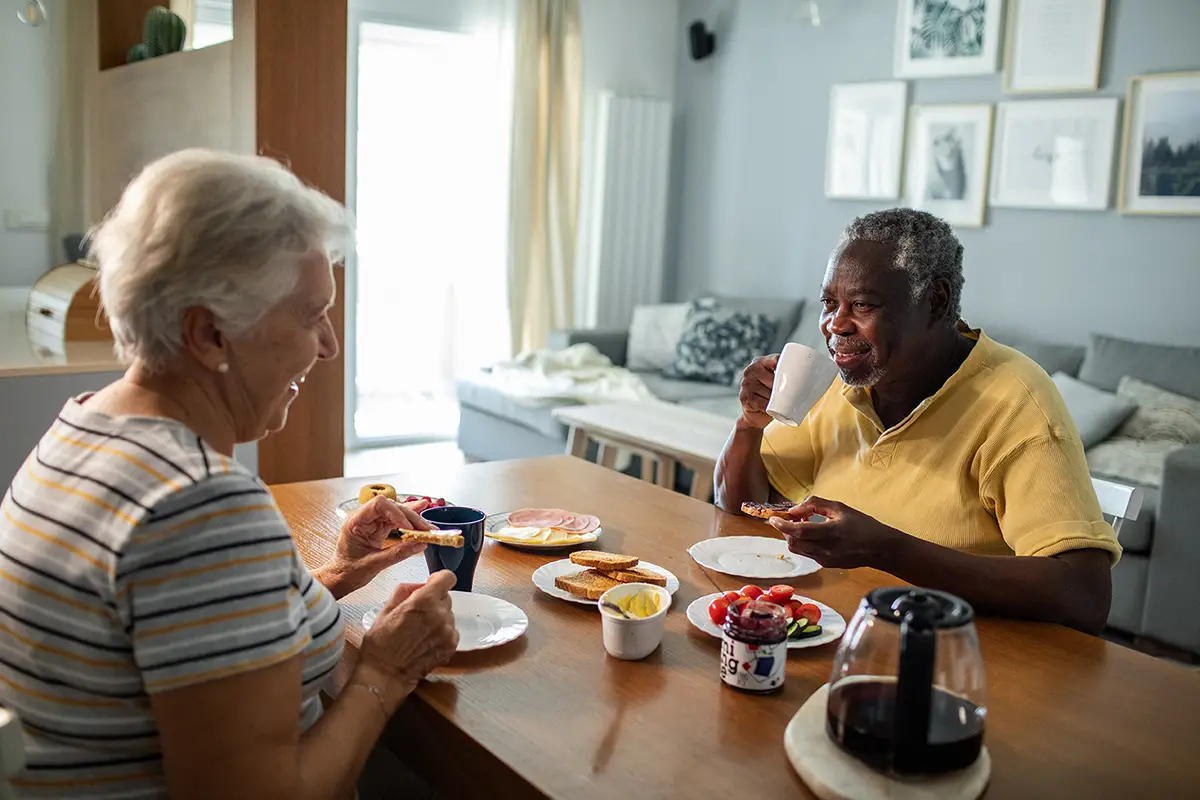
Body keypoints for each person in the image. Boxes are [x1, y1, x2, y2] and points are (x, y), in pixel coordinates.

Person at [0, 149, 459, 798]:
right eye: (310, 315)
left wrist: (344, 569)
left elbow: (199, 641)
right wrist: (384, 672)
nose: (327, 345)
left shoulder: (77, 433)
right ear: (209, 334)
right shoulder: (198, 505)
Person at [715, 208, 1120, 634]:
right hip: (845, 626)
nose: (835, 324)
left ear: (936, 301)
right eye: (830, 302)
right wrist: (749, 425)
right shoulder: (844, 383)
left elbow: (1085, 595)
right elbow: (741, 505)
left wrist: (887, 550)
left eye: (862, 305)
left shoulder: (1015, 401)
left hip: (960, 650)